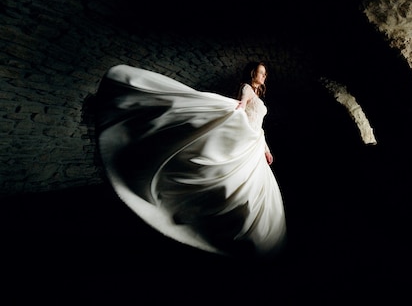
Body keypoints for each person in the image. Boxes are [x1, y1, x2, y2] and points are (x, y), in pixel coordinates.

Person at [94, 62, 286, 259]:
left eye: (265, 74)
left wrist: (265, 149)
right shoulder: (246, 88)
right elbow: (242, 107)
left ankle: (247, 233)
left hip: (254, 144)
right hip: (246, 141)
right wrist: (238, 115)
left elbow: (259, 126)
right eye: (261, 73)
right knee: (235, 184)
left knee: (253, 187)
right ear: (253, 74)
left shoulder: (259, 96)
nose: (264, 76)